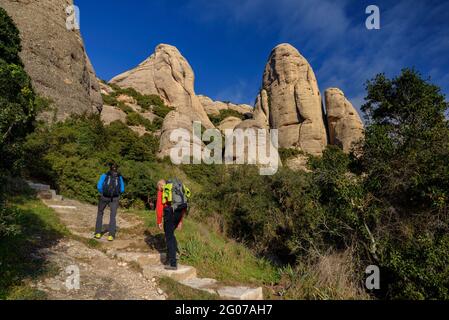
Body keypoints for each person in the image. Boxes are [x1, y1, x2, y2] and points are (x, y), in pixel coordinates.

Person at [156, 178, 191, 270]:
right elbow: (182, 206)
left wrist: (159, 221)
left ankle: (172, 263)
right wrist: (180, 221)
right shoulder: (176, 189)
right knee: (171, 234)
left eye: (158, 187)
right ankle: (173, 254)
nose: (158, 189)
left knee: (169, 237)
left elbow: (159, 207)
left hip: (169, 213)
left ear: (160, 185)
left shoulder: (163, 191)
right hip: (178, 213)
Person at [94, 163, 125, 241]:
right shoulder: (119, 177)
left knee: (100, 213)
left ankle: (98, 233)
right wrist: (116, 194)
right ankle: (111, 235)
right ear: (117, 169)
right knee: (112, 216)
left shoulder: (104, 175)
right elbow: (122, 189)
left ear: (109, 168)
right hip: (114, 198)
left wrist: (103, 192)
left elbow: (99, 186)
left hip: (104, 197)